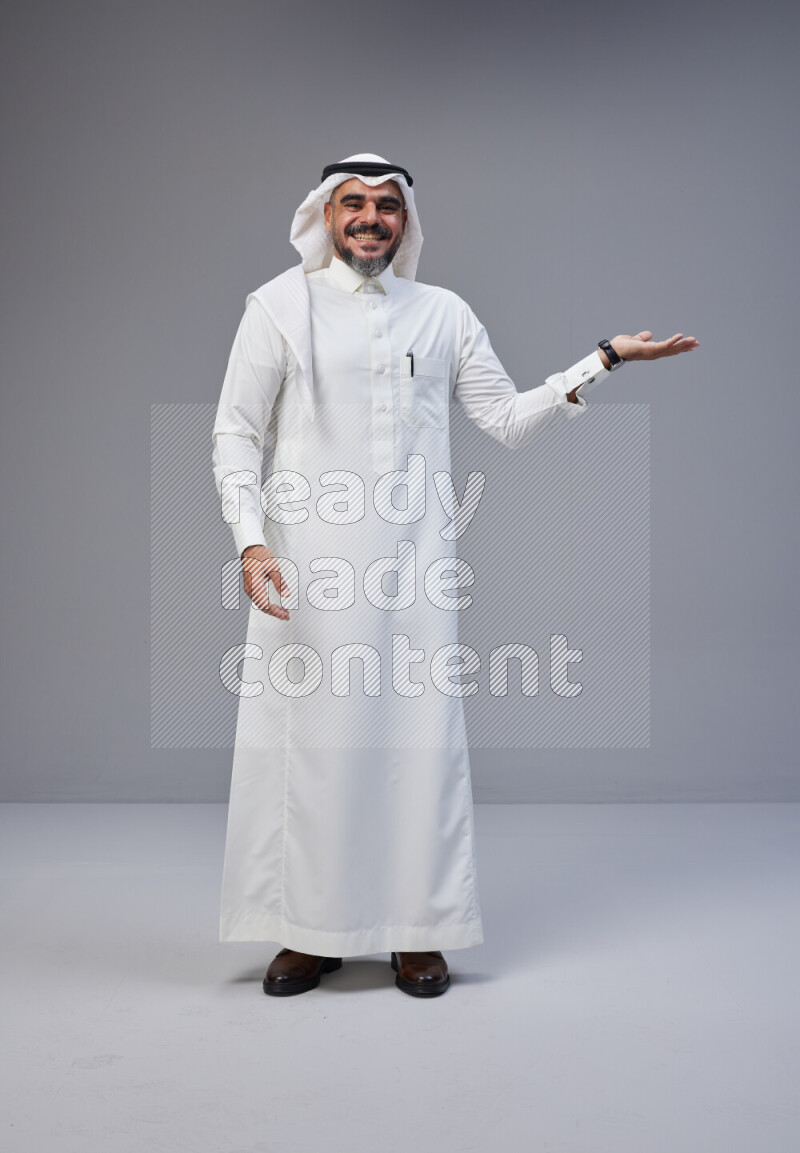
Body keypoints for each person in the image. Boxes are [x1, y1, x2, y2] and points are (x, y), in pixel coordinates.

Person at [211, 153, 699, 998]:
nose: (370, 218)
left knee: (416, 750)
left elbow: (506, 420)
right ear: (325, 217)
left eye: (387, 206)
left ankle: (417, 931)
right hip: (306, 577)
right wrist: (251, 544)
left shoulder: (442, 315)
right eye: (354, 204)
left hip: (414, 577)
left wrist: (603, 360)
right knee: (315, 753)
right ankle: (310, 932)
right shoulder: (278, 308)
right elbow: (233, 434)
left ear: (406, 222)